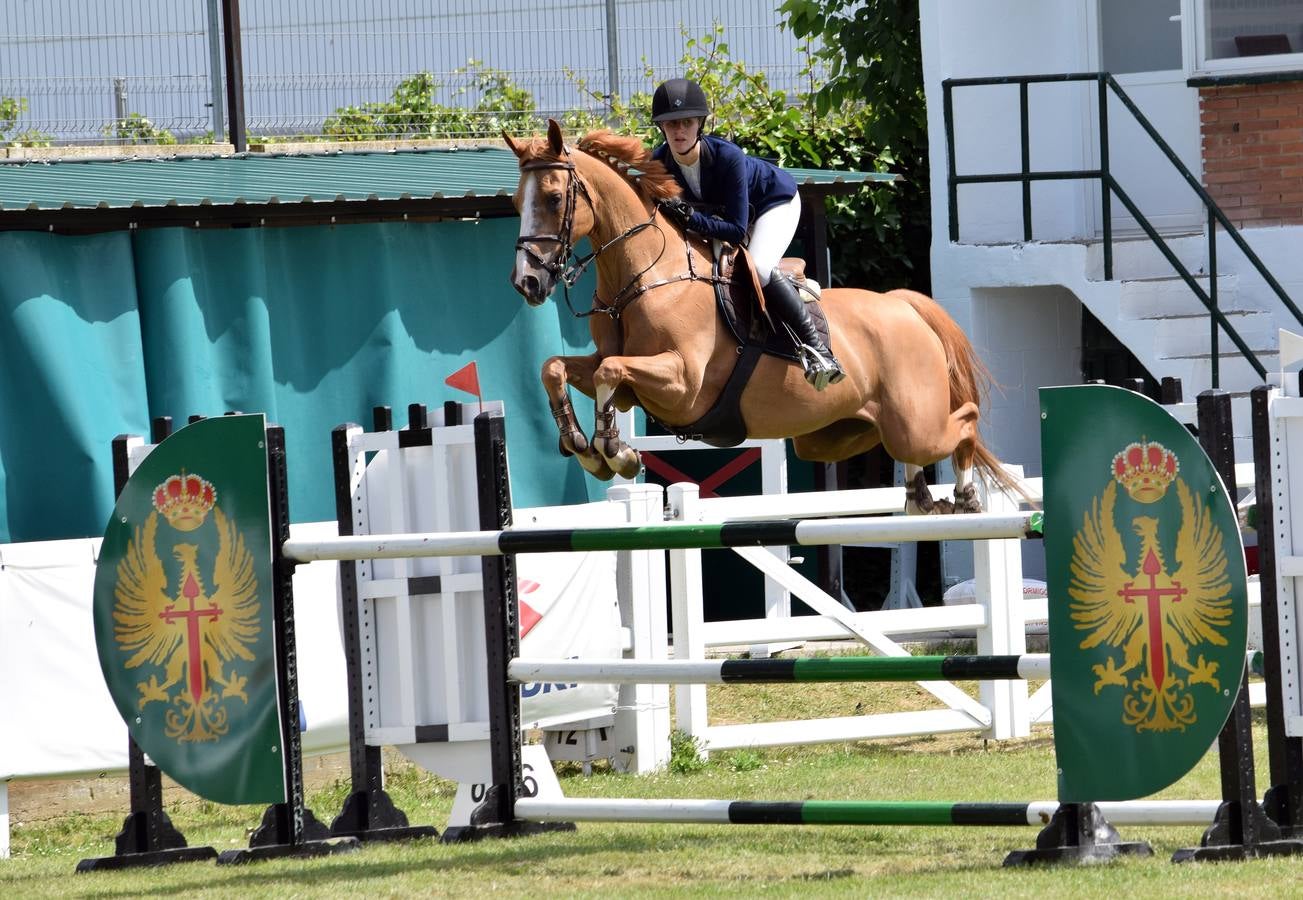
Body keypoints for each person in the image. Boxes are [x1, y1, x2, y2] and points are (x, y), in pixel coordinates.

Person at [649, 77, 844, 390]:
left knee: (762, 267)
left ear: (699, 124)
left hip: (773, 203)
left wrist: (692, 220)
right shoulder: (658, 162)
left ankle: (819, 350)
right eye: (670, 124)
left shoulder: (728, 157)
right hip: (725, 217)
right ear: (661, 129)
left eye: (686, 122)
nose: (679, 131)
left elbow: (737, 230)